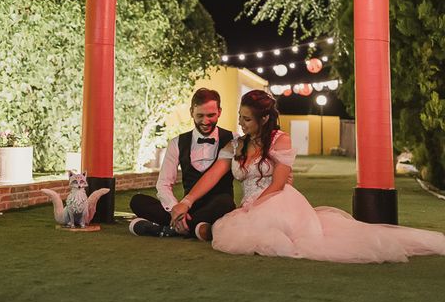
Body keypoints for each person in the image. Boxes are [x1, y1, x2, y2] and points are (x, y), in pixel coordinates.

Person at [171, 89, 445, 263]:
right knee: (233, 233)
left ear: (264, 119)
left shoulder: (281, 140)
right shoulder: (238, 144)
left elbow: (278, 183)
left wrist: (252, 207)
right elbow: (214, 173)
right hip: (250, 205)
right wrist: (187, 201)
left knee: (285, 241)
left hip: (278, 200)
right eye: (240, 118)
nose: (240, 124)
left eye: (247, 119)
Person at [129, 88, 237, 239]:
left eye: (211, 115)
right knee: (138, 201)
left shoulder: (234, 140)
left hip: (216, 207)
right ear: (191, 112)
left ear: (219, 112)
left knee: (225, 202)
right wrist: (176, 209)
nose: (205, 121)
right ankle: (193, 228)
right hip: (187, 208)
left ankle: (167, 228)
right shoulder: (176, 143)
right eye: (200, 115)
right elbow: (164, 184)